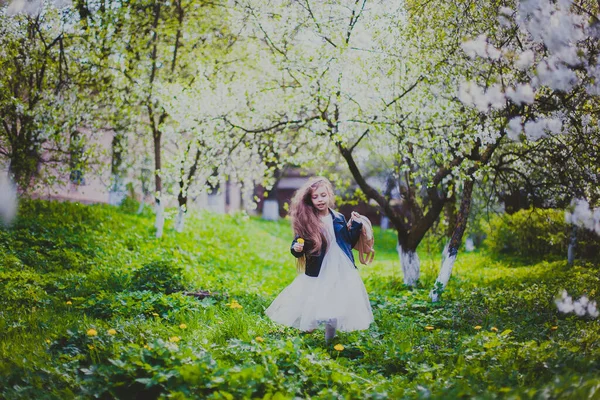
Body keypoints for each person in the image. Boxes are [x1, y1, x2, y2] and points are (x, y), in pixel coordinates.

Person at [265, 177, 374, 343]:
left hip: (340, 267)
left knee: (335, 304)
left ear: (329, 195)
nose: (320, 200)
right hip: (318, 267)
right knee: (313, 299)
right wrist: (296, 248)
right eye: (315, 197)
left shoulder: (338, 217)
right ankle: (307, 332)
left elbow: (348, 242)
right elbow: (298, 242)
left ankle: (329, 342)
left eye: (323, 195)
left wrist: (357, 225)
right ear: (310, 200)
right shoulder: (308, 220)